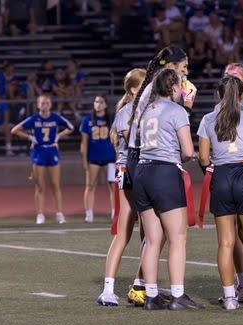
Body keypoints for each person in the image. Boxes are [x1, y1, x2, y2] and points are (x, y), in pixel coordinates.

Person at [126, 45, 197, 308]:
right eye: (183, 69)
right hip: (162, 168)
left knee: (152, 237)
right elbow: (187, 150)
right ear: (172, 78)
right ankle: (177, 295)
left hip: (142, 165)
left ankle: (149, 293)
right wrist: (186, 107)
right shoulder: (172, 106)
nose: (185, 73)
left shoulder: (147, 104)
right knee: (177, 236)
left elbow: (132, 134)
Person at [197, 74, 243, 310]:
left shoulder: (208, 119)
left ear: (218, 95)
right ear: (241, 94)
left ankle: (229, 298)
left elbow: (204, 158)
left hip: (221, 176)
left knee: (226, 243)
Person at [96, 68, 146, 307]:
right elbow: (136, 140)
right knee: (125, 229)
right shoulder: (127, 111)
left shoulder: (147, 110)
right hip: (129, 171)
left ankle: (141, 284)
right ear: (134, 89)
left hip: (145, 169)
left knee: (150, 232)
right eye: (145, 84)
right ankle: (108, 289)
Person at [11, 95, 74, 224]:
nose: (45, 105)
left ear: (50, 105)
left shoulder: (55, 117)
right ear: (38, 105)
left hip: (52, 150)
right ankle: (40, 214)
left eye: (47, 103)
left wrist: (58, 136)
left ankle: (59, 214)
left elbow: (71, 127)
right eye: (42, 103)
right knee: (40, 186)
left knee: (55, 185)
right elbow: (14, 130)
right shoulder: (34, 118)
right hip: (38, 151)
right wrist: (29, 137)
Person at [79, 95, 116, 223]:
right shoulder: (87, 119)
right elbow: (84, 143)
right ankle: (89, 213)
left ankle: (114, 212)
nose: (98, 104)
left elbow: (116, 140)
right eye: (96, 101)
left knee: (113, 186)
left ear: (106, 104)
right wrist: (84, 160)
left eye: (101, 102)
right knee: (90, 186)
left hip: (109, 158)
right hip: (93, 158)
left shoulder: (111, 119)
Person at [0, 89, 14, 156]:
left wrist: (5, 124)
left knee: (8, 128)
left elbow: (6, 116)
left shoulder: (2, 103)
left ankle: (8, 149)